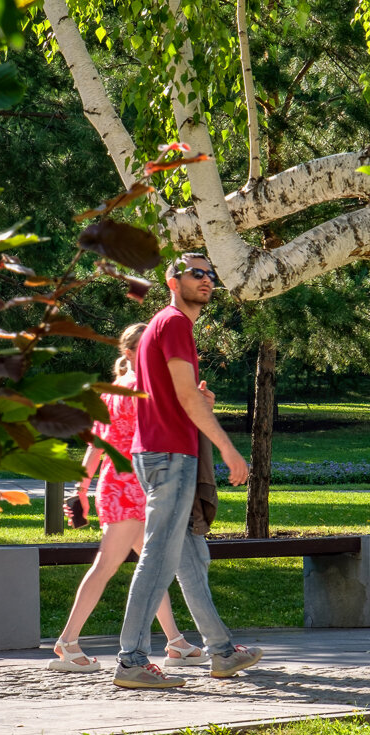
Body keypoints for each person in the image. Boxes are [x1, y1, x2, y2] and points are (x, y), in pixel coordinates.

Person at [113, 253, 261, 689]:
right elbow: (185, 397)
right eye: (197, 273)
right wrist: (229, 450)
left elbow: (171, 397)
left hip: (164, 454)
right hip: (169, 458)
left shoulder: (164, 326)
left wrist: (196, 407)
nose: (207, 280)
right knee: (158, 557)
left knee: (191, 558)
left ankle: (221, 652)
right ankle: (131, 661)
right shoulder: (174, 322)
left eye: (211, 274)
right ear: (172, 280)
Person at [47, 322, 210, 673]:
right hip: (132, 487)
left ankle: (175, 642)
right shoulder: (141, 389)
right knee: (108, 566)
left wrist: (82, 491)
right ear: (132, 352)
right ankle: (68, 642)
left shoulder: (112, 390)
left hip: (119, 485)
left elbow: (96, 446)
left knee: (151, 566)